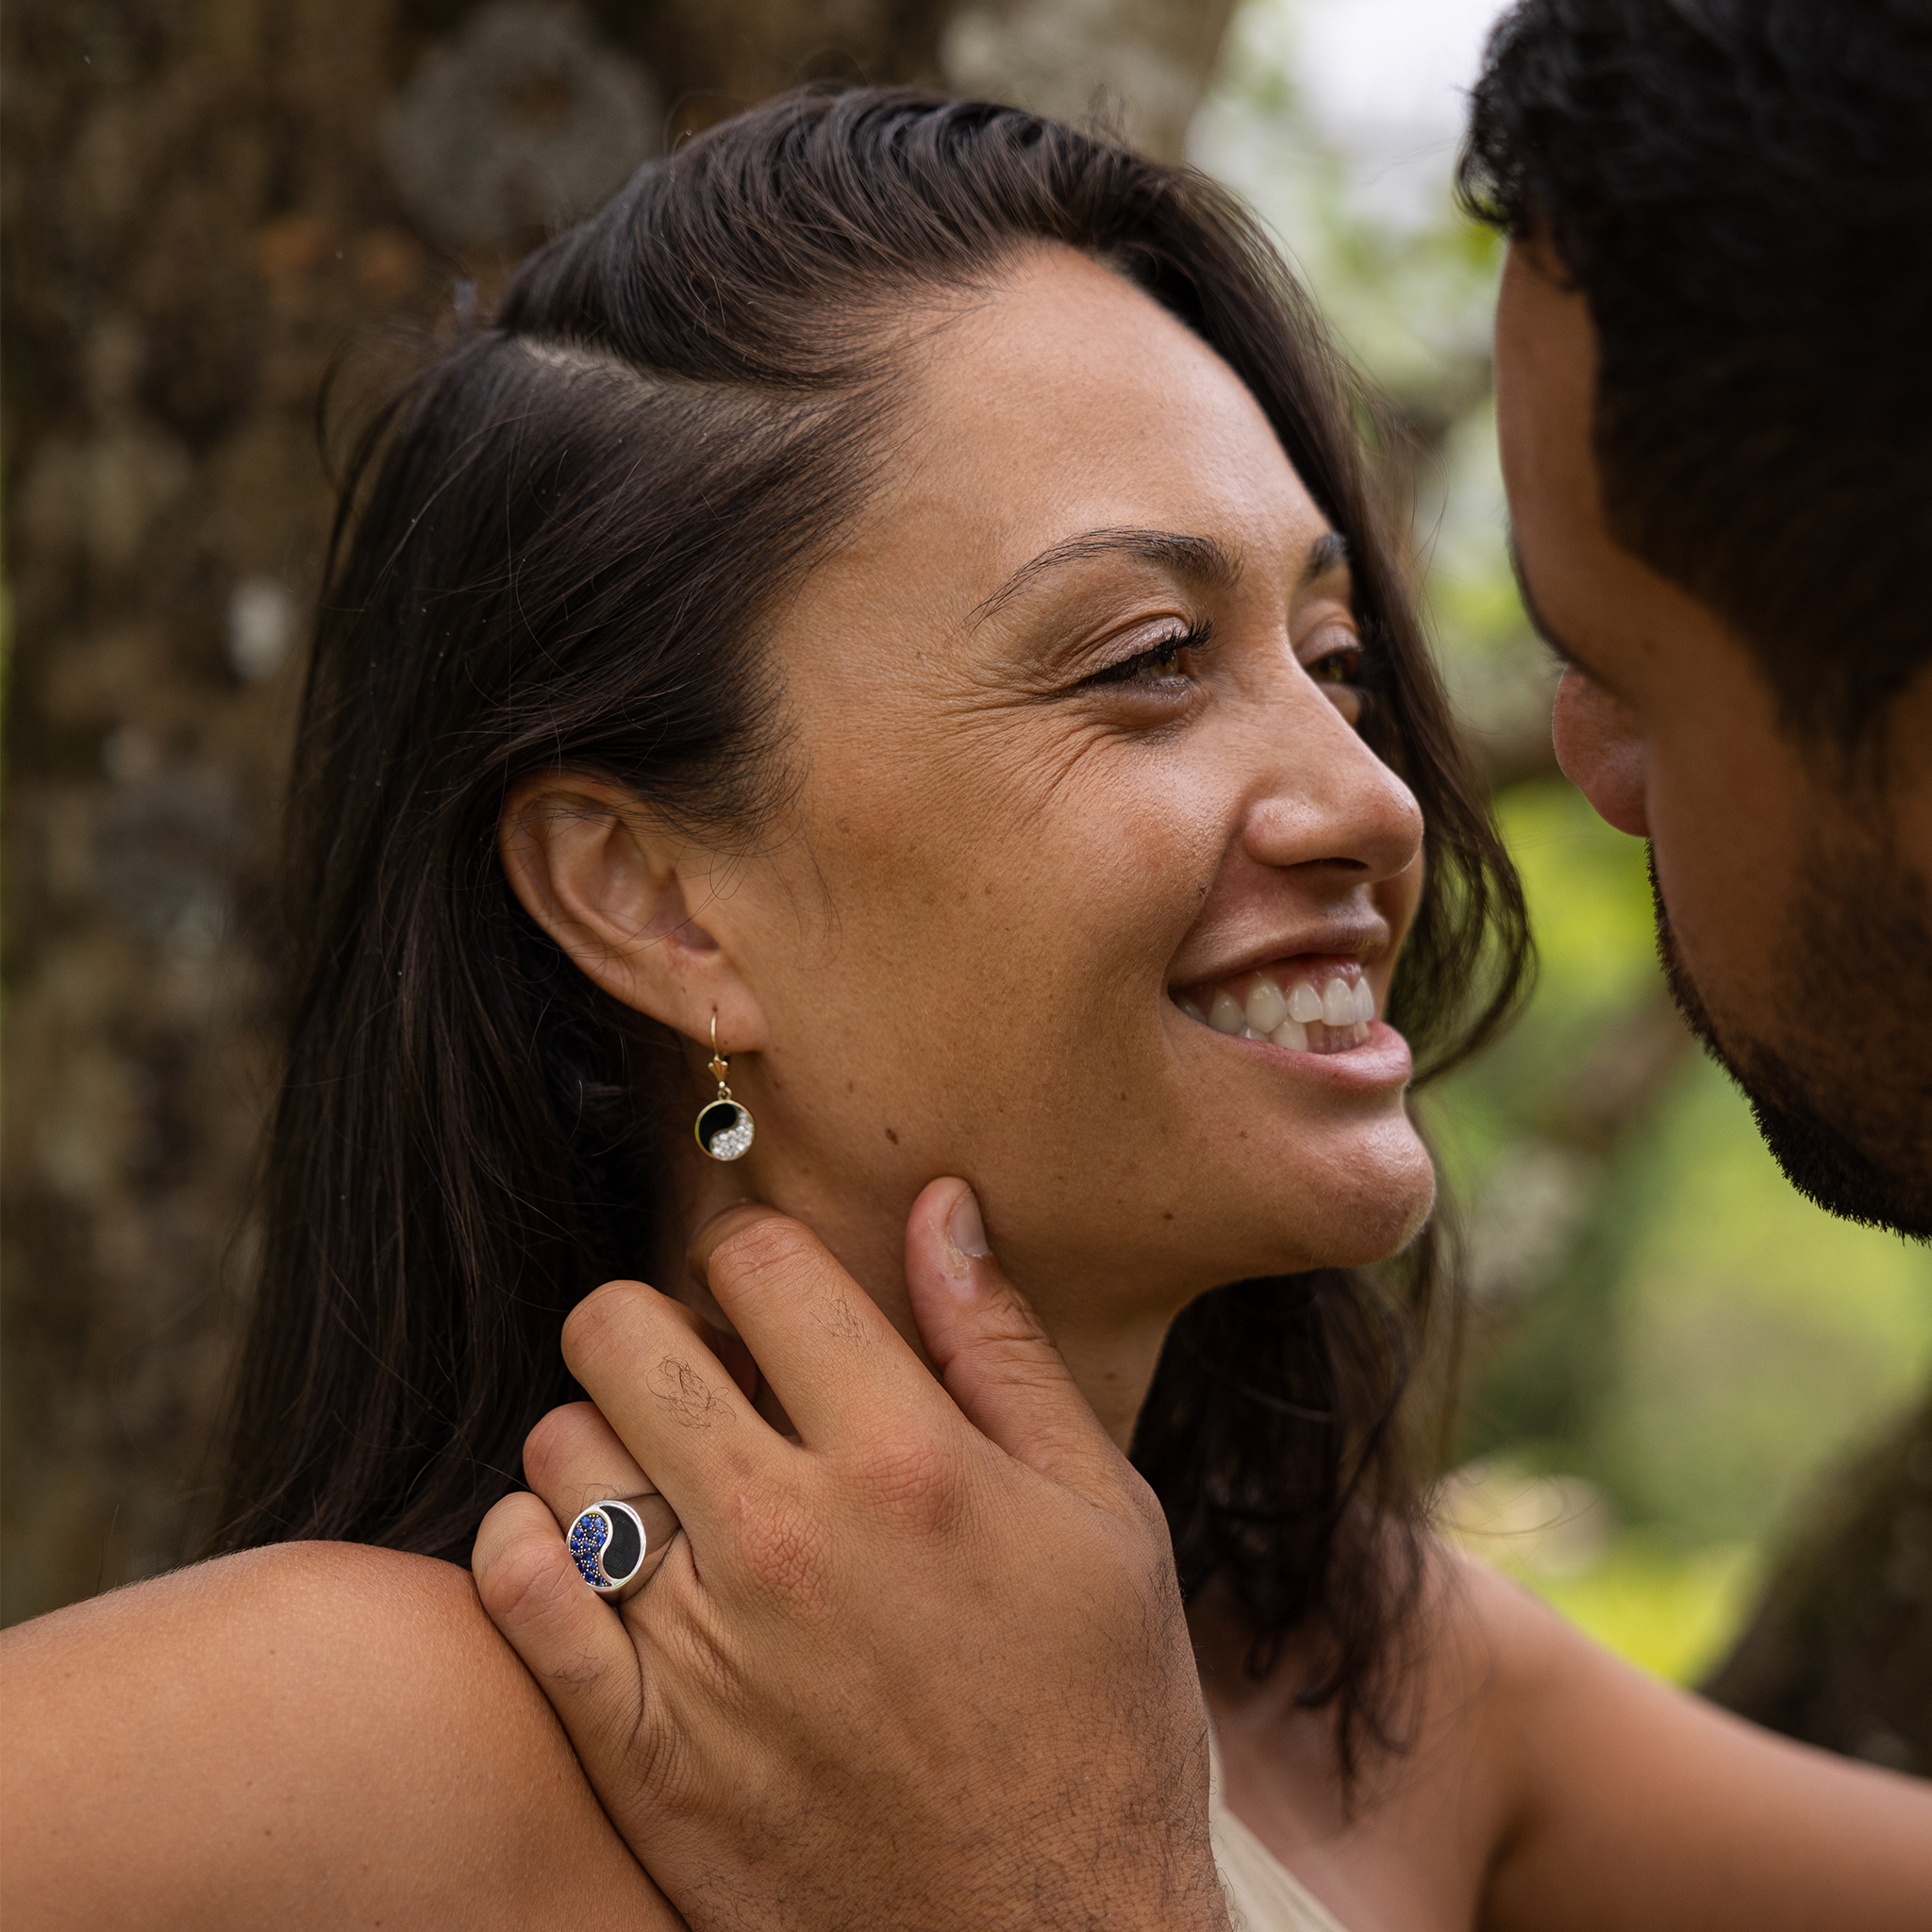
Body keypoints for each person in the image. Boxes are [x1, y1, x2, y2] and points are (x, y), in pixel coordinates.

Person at [1, 80, 1927, 1932]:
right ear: (650, 893)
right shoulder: (348, 1732)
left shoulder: (1362, 1688)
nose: (1369, 795)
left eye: (1331, 657)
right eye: (1148, 661)